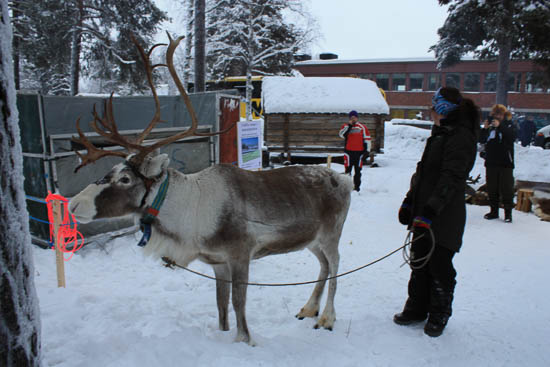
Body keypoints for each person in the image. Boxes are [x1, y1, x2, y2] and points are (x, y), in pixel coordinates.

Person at [394, 87, 480, 337]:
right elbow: (424, 172)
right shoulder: (440, 133)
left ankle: (439, 313)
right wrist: (410, 202)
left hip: (445, 214)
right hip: (425, 209)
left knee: (439, 264)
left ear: (442, 109)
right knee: (419, 259)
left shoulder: (460, 136)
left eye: (433, 107)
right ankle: (417, 308)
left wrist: (430, 211)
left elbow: (451, 178)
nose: (429, 111)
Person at [479, 104, 516, 222]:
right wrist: (485, 128)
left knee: (506, 188)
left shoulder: (509, 124)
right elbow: (481, 140)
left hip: (505, 163)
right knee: (492, 188)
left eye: (499, 114)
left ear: (504, 115)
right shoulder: (491, 127)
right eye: (495, 114)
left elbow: (511, 136)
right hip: (491, 162)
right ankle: (493, 211)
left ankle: (508, 213)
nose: (497, 117)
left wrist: (500, 126)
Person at [339, 110, 371, 192]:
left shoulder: (362, 127)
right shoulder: (345, 126)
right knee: (347, 171)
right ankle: (347, 188)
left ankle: (356, 188)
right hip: (348, 152)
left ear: (357, 118)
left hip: (359, 153)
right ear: (349, 118)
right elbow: (342, 135)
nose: (353, 119)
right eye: (351, 117)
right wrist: (349, 126)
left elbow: (367, 139)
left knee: (358, 171)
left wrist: (367, 151)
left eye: (355, 117)